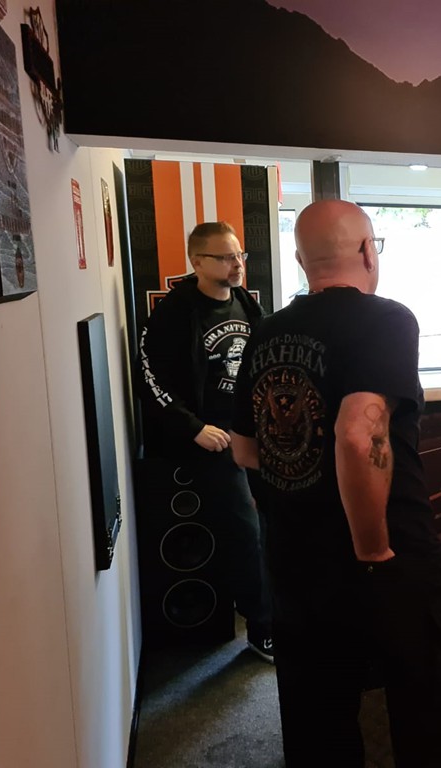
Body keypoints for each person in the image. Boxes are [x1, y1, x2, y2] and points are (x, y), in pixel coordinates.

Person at [229, 200, 441, 768]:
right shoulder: (386, 319)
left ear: (301, 261)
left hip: (297, 562)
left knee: (319, 728)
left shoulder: (265, 332)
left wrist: (300, 493)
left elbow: (245, 450)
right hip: (387, 558)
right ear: (368, 251)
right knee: (429, 713)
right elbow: (357, 432)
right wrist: (374, 549)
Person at [137, 221, 273, 662]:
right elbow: (149, 378)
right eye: (226, 257)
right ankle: (261, 628)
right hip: (208, 438)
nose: (237, 264)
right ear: (197, 261)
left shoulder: (246, 304)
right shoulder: (175, 312)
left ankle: (279, 610)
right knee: (244, 530)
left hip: (250, 430)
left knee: (271, 522)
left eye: (239, 255)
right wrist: (193, 427)